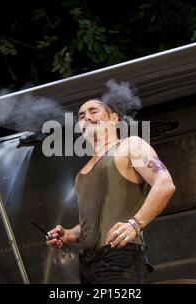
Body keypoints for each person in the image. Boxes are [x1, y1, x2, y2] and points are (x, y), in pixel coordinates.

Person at [46, 99, 176, 284]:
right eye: (81, 116)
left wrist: (134, 224)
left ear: (114, 118)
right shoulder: (81, 174)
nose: (87, 117)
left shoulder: (131, 146)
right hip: (88, 264)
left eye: (93, 111)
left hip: (121, 255)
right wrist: (68, 234)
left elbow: (164, 184)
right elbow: (92, 225)